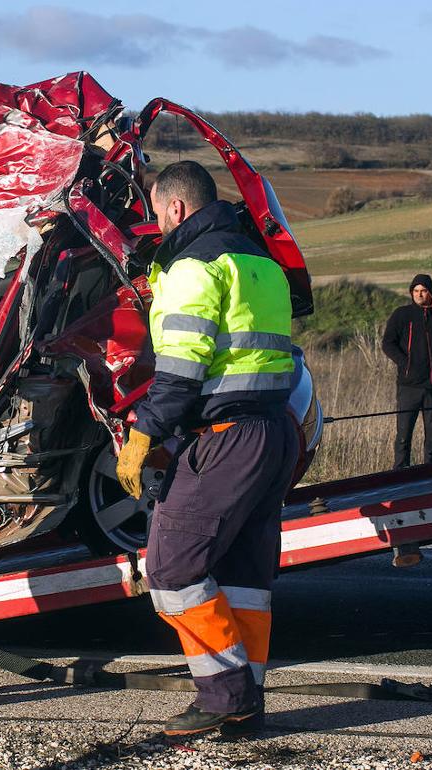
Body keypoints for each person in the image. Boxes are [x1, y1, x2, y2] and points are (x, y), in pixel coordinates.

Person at [116, 160, 299, 738]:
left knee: (170, 568)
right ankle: (247, 703)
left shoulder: (193, 268)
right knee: (244, 573)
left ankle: (224, 694)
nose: (153, 225)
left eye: (154, 211)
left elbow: (179, 374)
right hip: (274, 430)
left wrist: (142, 436)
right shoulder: (258, 261)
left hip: (226, 438)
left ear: (174, 209)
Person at [381, 274, 432, 469]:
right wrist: (404, 363)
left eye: (423, 291)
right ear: (411, 293)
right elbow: (388, 343)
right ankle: (400, 473)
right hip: (409, 386)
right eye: (415, 291)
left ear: (430, 292)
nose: (419, 294)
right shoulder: (402, 315)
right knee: (403, 435)